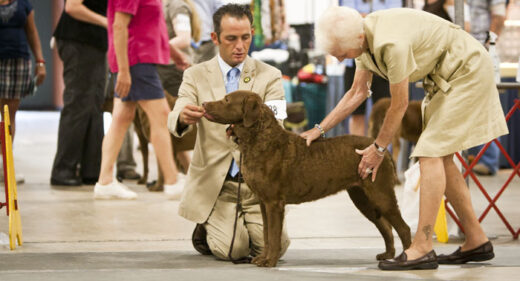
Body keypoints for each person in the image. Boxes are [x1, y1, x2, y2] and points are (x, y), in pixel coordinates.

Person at [302, 6, 508, 270]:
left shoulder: (391, 43)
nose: (341, 60)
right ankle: (476, 239)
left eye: (342, 54)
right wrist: (319, 129)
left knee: (430, 153)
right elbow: (357, 92)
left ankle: (422, 247)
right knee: (441, 156)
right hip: (445, 78)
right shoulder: (362, 37)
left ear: (357, 40)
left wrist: (378, 148)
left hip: (466, 73)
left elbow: (399, 105)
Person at [168, 4, 290, 261]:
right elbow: (178, 109)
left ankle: (228, 224)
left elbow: (277, 125)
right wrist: (181, 116)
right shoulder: (195, 74)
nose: (240, 46)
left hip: (257, 188)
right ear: (215, 38)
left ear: (252, 33)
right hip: (218, 187)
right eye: (231, 39)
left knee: (275, 249)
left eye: (245, 37)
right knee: (234, 250)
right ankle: (207, 223)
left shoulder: (270, 76)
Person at [94, 0, 180, 200]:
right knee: (161, 115)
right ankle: (172, 180)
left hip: (138, 59)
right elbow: (118, 25)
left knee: (122, 118)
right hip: (135, 59)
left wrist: (174, 54)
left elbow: (149, 25)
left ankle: (105, 181)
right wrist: (124, 71)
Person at [50, 0, 107, 186]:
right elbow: (73, 7)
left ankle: (92, 170)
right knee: (78, 104)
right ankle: (63, 169)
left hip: (95, 42)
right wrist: (108, 22)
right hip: (79, 41)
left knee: (94, 106)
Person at [156, 0, 201, 189]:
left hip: (174, 72)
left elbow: (184, 38)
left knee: (174, 125)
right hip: (165, 70)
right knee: (168, 124)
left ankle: (189, 175)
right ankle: (187, 175)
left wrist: (156, 49)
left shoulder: (175, 5)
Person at [339, 0, 401, 136]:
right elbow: (347, 20)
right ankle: (356, 152)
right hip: (354, 61)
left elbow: (393, 20)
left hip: (382, 60)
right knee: (355, 112)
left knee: (383, 112)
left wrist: (362, 18)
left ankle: (380, 151)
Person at [0, 0, 45, 184]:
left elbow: (32, 32)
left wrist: (40, 62)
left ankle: (7, 168)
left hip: (19, 62)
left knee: (9, 118)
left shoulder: (23, 4)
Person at [466, 0, 507, 176]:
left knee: (485, 105)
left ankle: (488, 160)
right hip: (460, 49)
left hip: (481, 48)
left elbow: (499, 16)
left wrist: (488, 46)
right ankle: (470, 157)